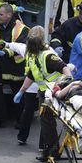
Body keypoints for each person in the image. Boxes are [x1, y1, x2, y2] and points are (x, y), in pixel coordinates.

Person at [6, 26, 71, 154]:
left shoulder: (48, 55)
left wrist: (66, 81)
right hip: (43, 91)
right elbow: (31, 74)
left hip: (52, 91)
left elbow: (64, 68)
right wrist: (21, 91)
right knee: (44, 120)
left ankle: (49, 149)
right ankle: (48, 149)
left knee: (47, 121)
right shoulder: (33, 55)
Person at [0, 3, 28, 129]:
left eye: (1, 14)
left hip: (15, 66)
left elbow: (22, 47)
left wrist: (6, 52)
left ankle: (21, 121)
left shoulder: (21, 29)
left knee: (19, 94)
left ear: (9, 15)